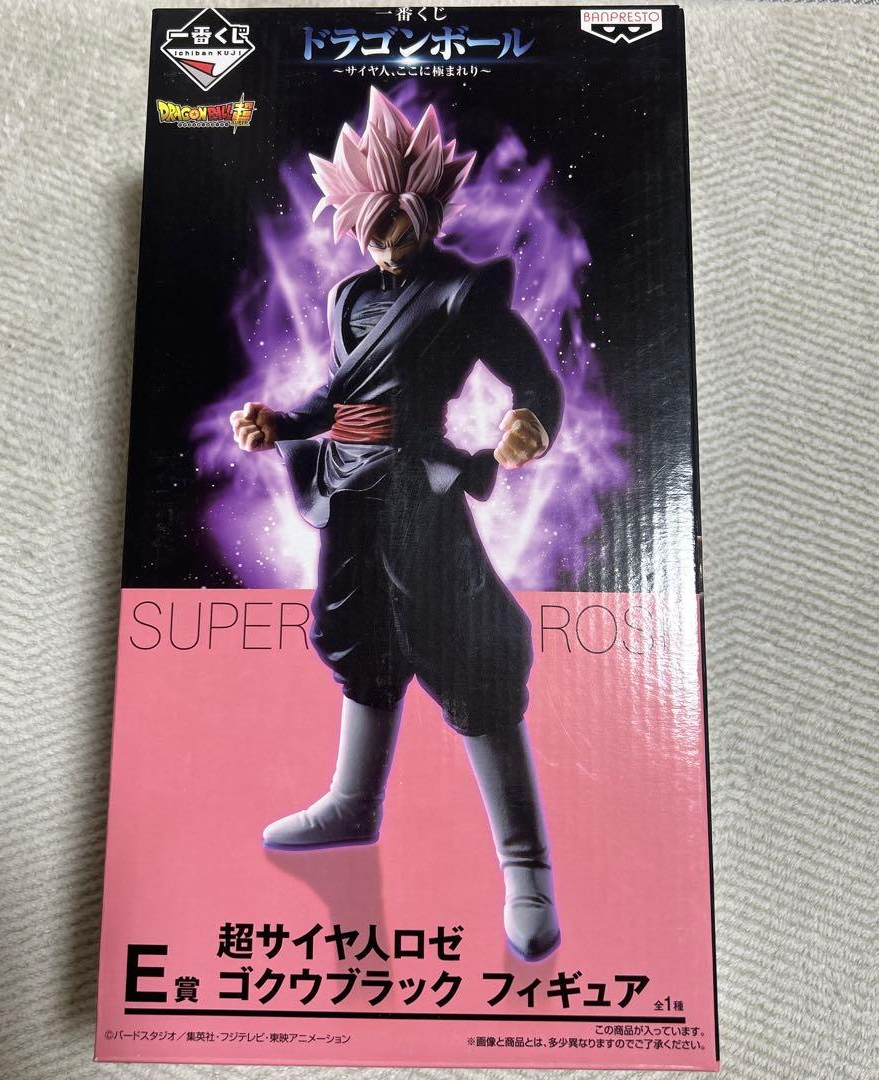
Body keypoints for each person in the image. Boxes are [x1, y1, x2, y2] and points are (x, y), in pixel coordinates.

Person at [230, 88, 564, 960]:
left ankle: (525, 866)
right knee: (359, 639)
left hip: (419, 488)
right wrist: (280, 422)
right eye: (368, 226)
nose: (382, 242)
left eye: (394, 223)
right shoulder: (348, 296)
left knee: (466, 649)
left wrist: (529, 422)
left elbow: (534, 378)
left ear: (424, 208)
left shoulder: (462, 292)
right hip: (350, 489)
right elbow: (337, 397)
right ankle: (354, 804)